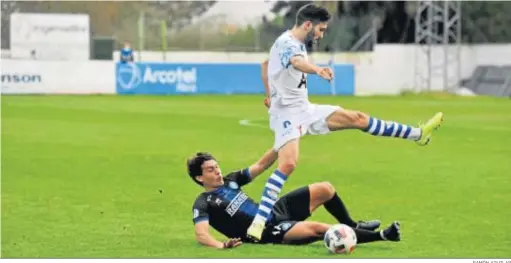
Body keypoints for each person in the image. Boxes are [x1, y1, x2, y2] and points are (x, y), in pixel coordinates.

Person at [248, 3, 443, 241]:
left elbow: (265, 66)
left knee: (357, 118)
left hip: (305, 109)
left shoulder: (290, 42)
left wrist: (269, 93)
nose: (321, 34)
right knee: (288, 164)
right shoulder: (288, 43)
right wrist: (317, 70)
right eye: (320, 29)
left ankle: (417, 134)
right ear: (308, 25)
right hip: (286, 115)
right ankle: (258, 223)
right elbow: (297, 63)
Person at [188, 151, 400, 249]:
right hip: (267, 231)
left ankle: (354, 225)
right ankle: (382, 236)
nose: (217, 171)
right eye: (210, 169)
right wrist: (221, 246)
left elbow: (261, 165)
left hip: (272, 211)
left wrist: (281, 143)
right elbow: (201, 234)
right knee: (320, 229)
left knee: (325, 189)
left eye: (217, 167)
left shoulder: (231, 180)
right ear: (199, 177)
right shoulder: (203, 202)